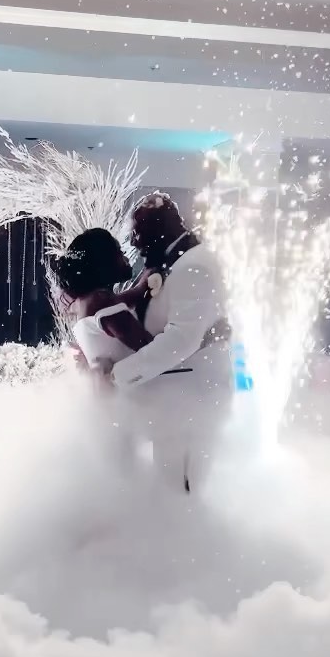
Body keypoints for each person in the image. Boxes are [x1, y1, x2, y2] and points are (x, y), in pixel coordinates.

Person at [109, 192, 232, 493]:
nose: (134, 242)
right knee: (172, 488)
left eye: (138, 233)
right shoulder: (180, 261)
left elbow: (182, 339)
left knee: (180, 493)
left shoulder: (192, 266)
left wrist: (120, 374)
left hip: (191, 402)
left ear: (159, 228)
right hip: (179, 402)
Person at [51, 228, 157, 372]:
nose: (126, 258)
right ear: (105, 261)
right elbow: (151, 349)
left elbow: (123, 299)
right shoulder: (102, 301)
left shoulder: (83, 302)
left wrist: (142, 285)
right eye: (120, 252)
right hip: (136, 384)